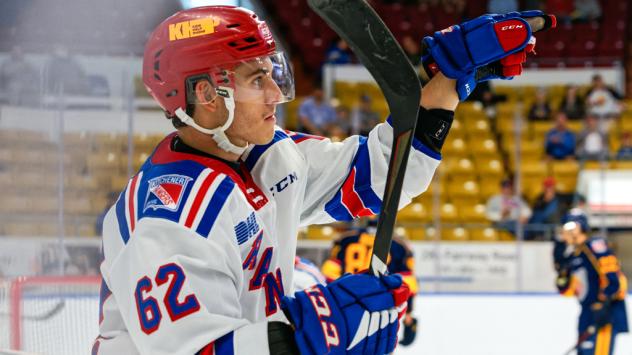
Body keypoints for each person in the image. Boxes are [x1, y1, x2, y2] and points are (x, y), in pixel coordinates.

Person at [94, 6, 544, 355]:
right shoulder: (165, 223)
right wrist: (304, 337)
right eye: (256, 80)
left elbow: (378, 175)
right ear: (207, 95)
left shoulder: (269, 155)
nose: (275, 93)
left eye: (272, 73)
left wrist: (443, 83)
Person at [320, 223, 419, 347]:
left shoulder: (346, 239)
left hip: (345, 299)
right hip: (379, 303)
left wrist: (334, 296)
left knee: (341, 342)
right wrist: (408, 312)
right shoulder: (399, 245)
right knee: (377, 345)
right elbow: (408, 282)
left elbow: (330, 270)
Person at [553, 210, 628, 355]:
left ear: (581, 227)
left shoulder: (595, 247)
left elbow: (616, 281)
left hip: (603, 313)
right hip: (587, 314)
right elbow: (568, 290)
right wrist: (561, 268)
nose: (565, 231)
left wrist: (603, 303)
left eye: (570, 226)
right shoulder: (573, 256)